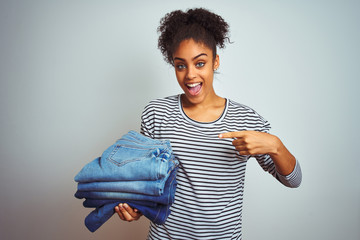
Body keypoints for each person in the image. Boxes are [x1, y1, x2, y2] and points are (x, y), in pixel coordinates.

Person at [114, 8, 302, 240]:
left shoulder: (244, 119)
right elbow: (148, 184)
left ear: (215, 61)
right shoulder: (156, 113)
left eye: (200, 63)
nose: (190, 75)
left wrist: (276, 145)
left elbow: (293, 180)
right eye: (180, 65)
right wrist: (135, 210)